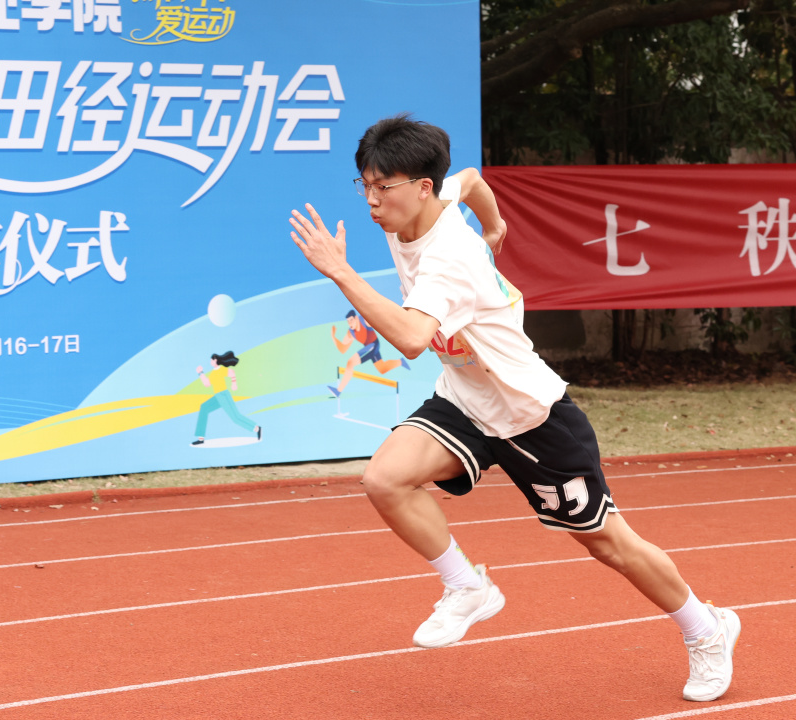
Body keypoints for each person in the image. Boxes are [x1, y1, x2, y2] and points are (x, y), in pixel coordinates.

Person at [287, 114, 738, 703]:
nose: (371, 201)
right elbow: (472, 180)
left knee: (609, 544)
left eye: (382, 188)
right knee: (385, 478)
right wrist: (496, 227)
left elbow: (413, 338)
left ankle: (707, 629)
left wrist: (341, 272)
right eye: (364, 186)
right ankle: (467, 587)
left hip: (531, 416)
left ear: (421, 187)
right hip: (466, 399)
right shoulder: (430, 202)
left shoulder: (449, 256)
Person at [328, 309, 409, 398]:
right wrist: (333, 337)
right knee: (382, 369)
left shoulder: (364, 321)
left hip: (373, 345)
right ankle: (400, 362)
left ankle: (338, 391)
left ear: (356, 318)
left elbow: (379, 319)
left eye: (351, 320)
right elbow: (343, 349)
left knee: (350, 362)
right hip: (369, 348)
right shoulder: (350, 333)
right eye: (348, 321)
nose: (350, 323)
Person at [191, 351, 262, 446]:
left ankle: (256, 428)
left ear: (215, 360)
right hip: (217, 397)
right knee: (204, 407)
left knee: (235, 417)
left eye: (211, 360)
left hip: (224, 395)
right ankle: (201, 438)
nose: (210, 362)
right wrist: (201, 373)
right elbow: (207, 384)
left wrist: (234, 383)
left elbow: (232, 373)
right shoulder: (213, 373)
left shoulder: (221, 369)